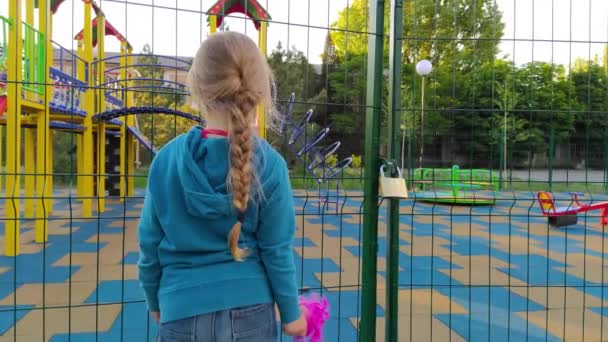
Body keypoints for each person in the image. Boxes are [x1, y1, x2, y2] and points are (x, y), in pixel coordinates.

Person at [137, 31, 307, 341]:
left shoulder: (166, 161)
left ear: (197, 87)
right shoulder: (271, 164)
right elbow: (276, 250)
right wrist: (292, 313)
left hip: (179, 309)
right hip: (251, 310)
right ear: (258, 89)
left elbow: (149, 246)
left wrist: (154, 299)